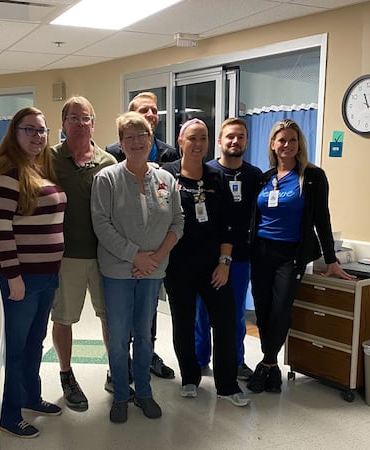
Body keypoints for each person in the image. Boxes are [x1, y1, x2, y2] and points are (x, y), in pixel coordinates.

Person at [0, 107, 66, 438]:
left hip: (45, 275)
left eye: (42, 130)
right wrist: (13, 277)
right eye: (29, 130)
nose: (37, 136)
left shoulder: (38, 168)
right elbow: (0, 232)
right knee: (15, 346)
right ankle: (9, 413)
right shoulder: (2, 173)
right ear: (14, 133)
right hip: (18, 276)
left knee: (34, 342)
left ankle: (30, 396)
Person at [247, 118, 354, 394]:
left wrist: (331, 259)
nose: (287, 145)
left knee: (281, 309)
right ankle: (270, 366)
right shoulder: (265, 177)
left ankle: (267, 363)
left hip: (291, 255)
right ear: (273, 143)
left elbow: (323, 219)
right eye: (281, 140)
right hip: (260, 252)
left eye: (292, 140)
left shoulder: (313, 176)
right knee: (263, 310)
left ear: (299, 144)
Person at [92, 112, 183, 423]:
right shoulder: (106, 179)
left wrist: (154, 258)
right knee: (118, 337)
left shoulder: (165, 180)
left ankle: (144, 392)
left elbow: (178, 222)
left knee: (144, 336)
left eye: (140, 135)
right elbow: (102, 225)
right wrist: (136, 256)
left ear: (150, 139)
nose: (135, 141)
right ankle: (121, 394)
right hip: (118, 271)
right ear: (121, 143)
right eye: (128, 137)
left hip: (153, 271)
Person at [161, 118, 250, 407]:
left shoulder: (216, 177)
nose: (198, 144)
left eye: (203, 138)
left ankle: (226, 384)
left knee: (224, 322)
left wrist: (225, 262)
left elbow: (229, 224)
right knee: (183, 323)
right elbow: (159, 218)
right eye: (192, 138)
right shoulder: (166, 175)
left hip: (214, 266)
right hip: (178, 266)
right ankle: (189, 377)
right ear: (180, 141)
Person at [49, 96, 117, 412]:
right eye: (73, 118)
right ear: (63, 123)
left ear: (93, 123)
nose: (80, 123)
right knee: (64, 318)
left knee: (110, 316)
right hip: (66, 256)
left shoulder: (107, 162)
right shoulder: (48, 159)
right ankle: (66, 375)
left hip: (105, 255)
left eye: (85, 117)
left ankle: (115, 371)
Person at [105, 91, 178, 380]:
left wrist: (153, 258)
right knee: (119, 321)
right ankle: (119, 371)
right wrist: (134, 255)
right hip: (120, 257)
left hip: (155, 254)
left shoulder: (168, 153)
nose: (150, 115)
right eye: (143, 110)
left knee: (148, 317)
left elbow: (173, 212)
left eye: (154, 111)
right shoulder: (112, 153)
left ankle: (147, 357)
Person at [194, 118, 262, 381]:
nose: (235, 141)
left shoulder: (255, 176)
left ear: (246, 141)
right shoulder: (205, 171)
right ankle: (200, 361)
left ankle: (236, 361)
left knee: (235, 315)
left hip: (240, 257)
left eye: (241, 137)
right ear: (220, 141)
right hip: (207, 256)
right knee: (202, 313)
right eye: (230, 136)